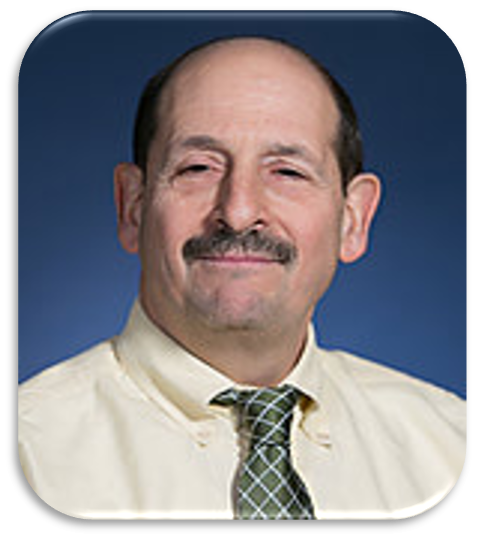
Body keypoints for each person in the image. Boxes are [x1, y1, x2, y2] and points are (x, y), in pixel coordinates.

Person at [18, 36, 466, 520]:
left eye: (287, 172)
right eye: (198, 168)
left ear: (353, 219)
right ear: (133, 207)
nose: (238, 211)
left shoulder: (449, 445)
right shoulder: (34, 452)